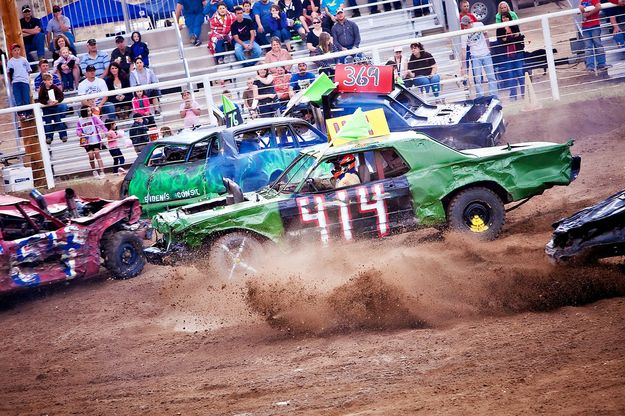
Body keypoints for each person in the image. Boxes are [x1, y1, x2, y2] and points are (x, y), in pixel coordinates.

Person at [460, 15, 498, 98]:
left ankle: (493, 96)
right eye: (464, 25)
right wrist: (463, 66)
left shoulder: (479, 25)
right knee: (477, 79)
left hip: (486, 53)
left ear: (470, 22)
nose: (465, 27)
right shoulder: (463, 34)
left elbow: (486, 35)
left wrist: (489, 48)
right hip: (475, 56)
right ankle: (480, 97)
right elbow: (463, 50)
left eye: (466, 25)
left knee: (491, 76)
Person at [496, 12, 525, 100]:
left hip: (518, 53)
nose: (505, 19)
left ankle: (524, 93)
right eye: (503, 18)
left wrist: (507, 38)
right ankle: (513, 95)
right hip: (506, 55)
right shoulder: (499, 29)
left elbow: (519, 38)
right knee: (510, 74)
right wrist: (512, 37)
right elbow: (500, 42)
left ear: (509, 18)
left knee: (520, 72)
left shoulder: (515, 26)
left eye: (506, 18)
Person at [76, 105, 106, 178]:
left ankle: (102, 172)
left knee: (97, 154)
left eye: (90, 110)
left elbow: (101, 124)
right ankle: (94, 171)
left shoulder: (94, 118)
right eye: (88, 111)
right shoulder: (80, 121)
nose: (90, 112)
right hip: (87, 141)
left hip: (95, 139)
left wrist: (105, 131)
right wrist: (79, 133)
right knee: (91, 156)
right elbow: (78, 130)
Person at [38, 73, 68, 144]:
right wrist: (47, 102)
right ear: (44, 81)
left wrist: (57, 101)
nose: (50, 81)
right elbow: (40, 99)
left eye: (51, 80)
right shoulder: (42, 88)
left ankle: (63, 135)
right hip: (46, 109)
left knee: (58, 121)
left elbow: (61, 95)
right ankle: (49, 137)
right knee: (48, 123)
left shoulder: (54, 87)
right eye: (48, 80)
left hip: (55, 107)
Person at [579, 0, 608, 72]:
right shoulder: (582, 1)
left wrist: (588, 14)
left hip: (594, 25)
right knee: (588, 47)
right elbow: (579, 12)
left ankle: (601, 64)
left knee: (597, 44)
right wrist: (581, 9)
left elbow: (598, 7)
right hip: (585, 26)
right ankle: (590, 66)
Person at [7, 44, 32, 119]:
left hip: (24, 81)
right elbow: (9, 73)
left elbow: (29, 70)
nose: (17, 52)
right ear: (12, 52)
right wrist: (12, 80)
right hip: (16, 82)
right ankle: (21, 114)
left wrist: (26, 78)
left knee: (26, 98)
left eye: (18, 50)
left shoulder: (24, 59)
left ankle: (29, 113)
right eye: (15, 50)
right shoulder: (10, 62)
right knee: (18, 99)